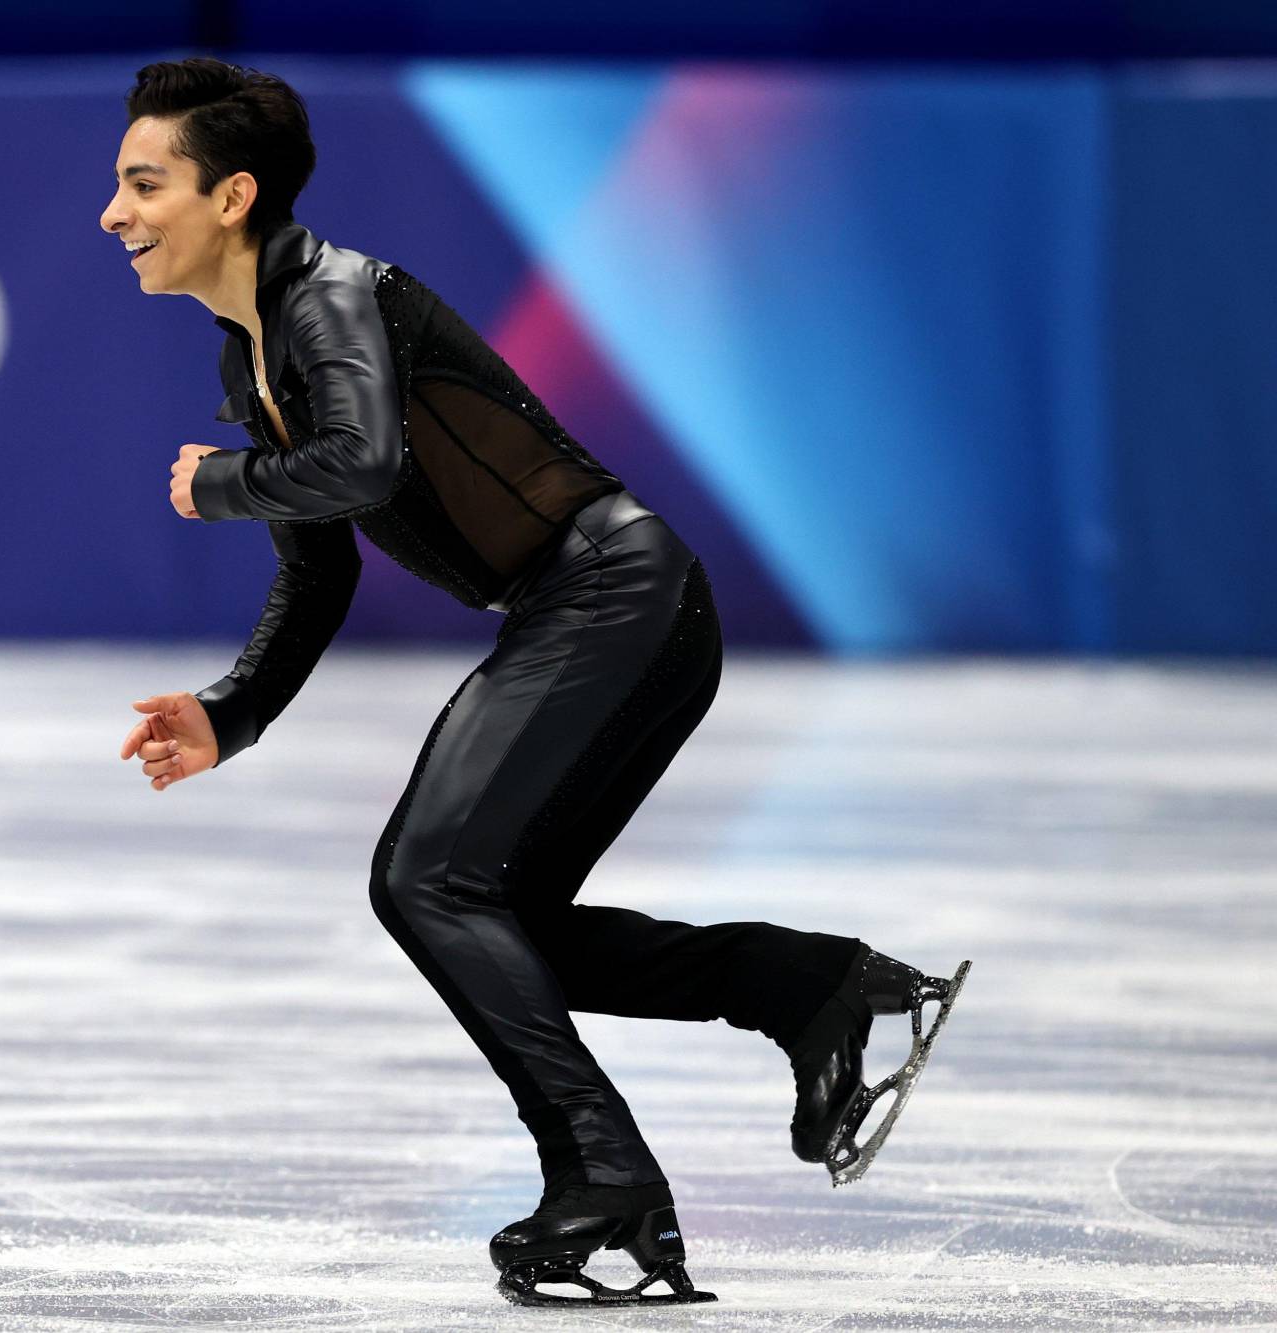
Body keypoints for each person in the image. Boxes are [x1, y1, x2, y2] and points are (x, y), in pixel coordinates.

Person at [103, 57, 969, 1307]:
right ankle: (806, 984)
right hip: (612, 609)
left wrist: (223, 482)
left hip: (612, 596)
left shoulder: (330, 298)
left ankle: (603, 1173)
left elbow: (359, 463)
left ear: (231, 196)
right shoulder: (254, 358)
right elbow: (319, 569)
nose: (115, 213)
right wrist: (230, 710)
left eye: (144, 184)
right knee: (498, 929)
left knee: (426, 882)